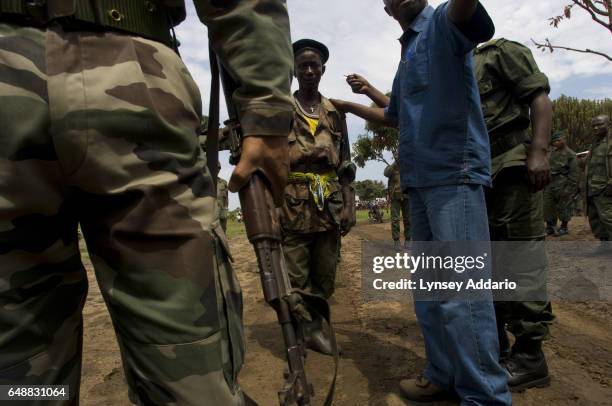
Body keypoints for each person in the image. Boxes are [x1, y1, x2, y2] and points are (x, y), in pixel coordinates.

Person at [0, 1, 293, 405]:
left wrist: (267, 111)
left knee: (189, 371)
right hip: (133, 74)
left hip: (131, 66)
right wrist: (268, 109)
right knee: (17, 380)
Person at [331, 1, 511, 404]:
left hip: (453, 175)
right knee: (429, 291)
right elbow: (393, 114)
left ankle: (483, 396)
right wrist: (346, 105)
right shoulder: (408, 51)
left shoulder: (445, 22)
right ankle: (442, 373)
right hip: (419, 182)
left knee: (462, 292)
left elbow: (467, 12)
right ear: (386, 7)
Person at [474, 38, 555, 391]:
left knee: (521, 260)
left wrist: (537, 151)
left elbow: (538, 98)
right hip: (479, 174)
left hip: (511, 166)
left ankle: (530, 358)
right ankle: (499, 349)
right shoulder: (455, 62)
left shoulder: (498, 52)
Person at [280, 39, 356, 355]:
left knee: (326, 272)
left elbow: (347, 164)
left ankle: (317, 323)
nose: (309, 70)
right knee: (295, 273)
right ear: (294, 70)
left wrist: (350, 204)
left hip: (329, 203)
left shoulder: (335, 112)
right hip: (292, 202)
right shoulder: (281, 108)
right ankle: (305, 329)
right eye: (303, 65)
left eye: (314, 65)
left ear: (323, 70)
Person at [585, 114, 612, 255]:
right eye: (594, 125)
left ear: (609, 124)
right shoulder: (595, 142)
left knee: (608, 218)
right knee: (595, 219)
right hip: (592, 187)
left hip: (605, 188)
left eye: (599, 124)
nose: (596, 128)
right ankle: (605, 244)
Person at [544, 130, 578, 236]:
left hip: (563, 183)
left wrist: (569, 188)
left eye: (558, 140)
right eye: (554, 141)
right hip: (550, 183)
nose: (556, 143)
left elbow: (574, 173)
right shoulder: (551, 153)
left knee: (564, 206)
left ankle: (564, 227)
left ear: (564, 140)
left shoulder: (570, 154)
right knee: (548, 205)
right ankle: (550, 226)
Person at [384, 156, 411, 249]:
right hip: (395, 197)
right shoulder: (392, 167)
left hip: (407, 196)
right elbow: (386, 173)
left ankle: (408, 239)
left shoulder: (408, 166)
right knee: (395, 219)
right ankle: (396, 241)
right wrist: (395, 163)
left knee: (408, 219)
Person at [216, 164, 230, 233]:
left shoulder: (223, 183)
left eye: (218, 168)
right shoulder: (205, 181)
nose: (217, 169)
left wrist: (226, 208)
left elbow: (226, 198)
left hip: (222, 212)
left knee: (222, 231)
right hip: (209, 212)